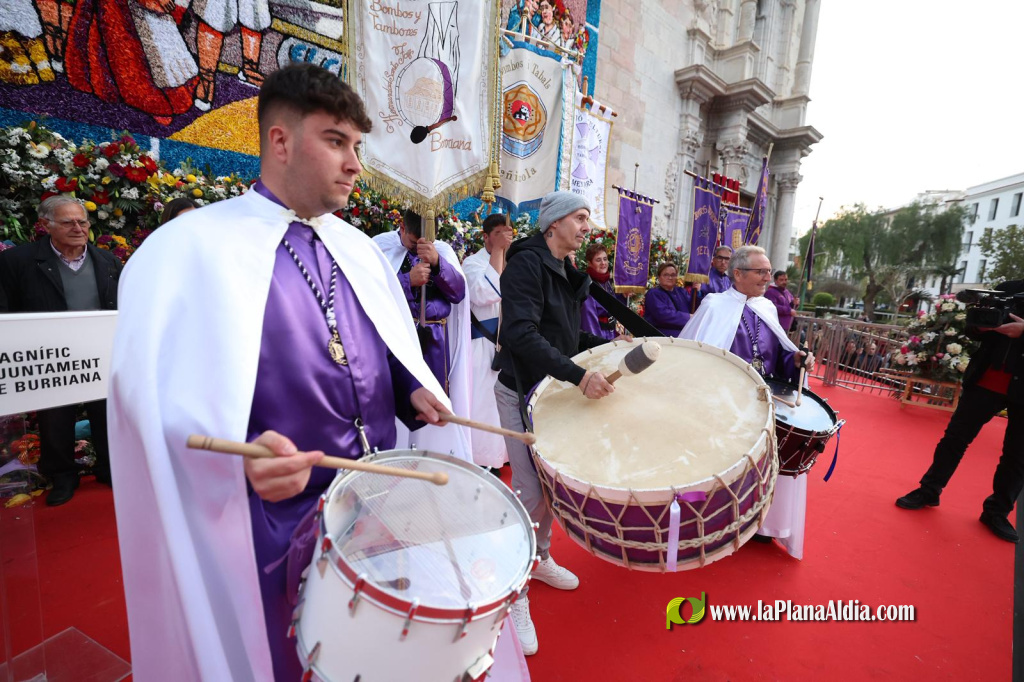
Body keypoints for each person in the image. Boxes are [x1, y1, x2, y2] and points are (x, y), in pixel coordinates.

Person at [105, 64, 523, 681]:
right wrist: (235, 456)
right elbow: (146, 395)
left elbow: (381, 351)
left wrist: (413, 391)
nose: (355, 163)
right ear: (279, 141)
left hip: (378, 506)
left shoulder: (357, 249)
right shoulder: (190, 250)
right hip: (266, 521)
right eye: (336, 141)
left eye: (357, 145)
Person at [494, 190, 615, 655]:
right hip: (522, 390)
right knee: (529, 490)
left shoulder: (564, 271)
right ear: (553, 224)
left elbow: (565, 336)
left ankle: (539, 557)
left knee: (547, 489)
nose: (587, 227)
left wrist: (606, 348)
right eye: (580, 218)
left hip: (551, 392)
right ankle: (514, 590)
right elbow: (521, 334)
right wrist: (581, 376)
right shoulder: (526, 264)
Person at [680, 245, 815, 558]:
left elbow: (779, 354)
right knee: (721, 464)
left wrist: (795, 359)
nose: (767, 277)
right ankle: (710, 524)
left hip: (761, 401)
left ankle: (754, 522)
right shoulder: (715, 306)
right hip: (722, 404)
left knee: (759, 465)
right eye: (761, 272)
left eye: (769, 271)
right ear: (737, 274)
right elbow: (697, 357)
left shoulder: (766, 307)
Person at [0, 195, 121, 506]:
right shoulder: (17, 262)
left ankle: (109, 470)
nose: (78, 228)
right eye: (68, 222)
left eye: (82, 221)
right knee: (55, 418)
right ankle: (63, 478)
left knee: (106, 414)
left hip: (101, 352)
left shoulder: (108, 262)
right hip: (50, 357)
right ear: (46, 225)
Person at [896, 280, 1024, 543]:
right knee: (955, 438)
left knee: (1017, 454)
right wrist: (979, 324)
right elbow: (974, 330)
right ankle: (929, 490)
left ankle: (997, 511)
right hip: (987, 380)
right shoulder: (1007, 288)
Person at [373, 210, 473, 462]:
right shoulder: (380, 247)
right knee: (400, 395)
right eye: (411, 242)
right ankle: (395, 458)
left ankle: (433, 459)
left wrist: (438, 263)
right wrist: (407, 281)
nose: (417, 247)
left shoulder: (442, 251)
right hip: (397, 339)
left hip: (433, 338)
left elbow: (459, 293)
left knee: (432, 400)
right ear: (402, 228)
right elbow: (370, 292)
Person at [460, 213, 512, 469]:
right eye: (498, 234)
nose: (504, 239)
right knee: (483, 405)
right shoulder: (473, 263)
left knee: (502, 407)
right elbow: (485, 293)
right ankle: (479, 462)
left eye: (507, 233)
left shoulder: (512, 262)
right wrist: (498, 253)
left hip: (507, 345)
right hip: (481, 345)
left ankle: (499, 460)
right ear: (486, 237)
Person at [580, 243, 620, 341]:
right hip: (599, 337)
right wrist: (600, 344)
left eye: (605, 259)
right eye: (598, 260)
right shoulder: (589, 285)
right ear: (590, 263)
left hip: (611, 334)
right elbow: (589, 321)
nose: (603, 263)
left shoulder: (607, 282)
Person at [643, 262, 692, 336]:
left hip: (684, 332)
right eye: (666, 275)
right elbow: (663, 315)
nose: (670, 278)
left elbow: (693, 306)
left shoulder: (681, 291)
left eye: (673, 275)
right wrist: (688, 317)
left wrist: (698, 292)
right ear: (659, 277)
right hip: (662, 334)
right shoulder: (653, 293)